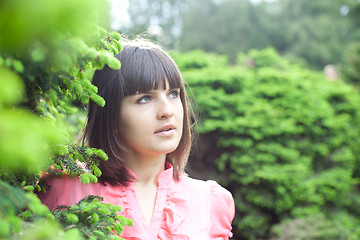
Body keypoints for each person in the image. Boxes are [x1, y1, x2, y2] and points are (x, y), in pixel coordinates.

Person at [39, 39, 235, 239]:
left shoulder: (210, 202)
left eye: (173, 94)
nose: (167, 111)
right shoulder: (62, 188)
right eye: (144, 98)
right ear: (111, 114)